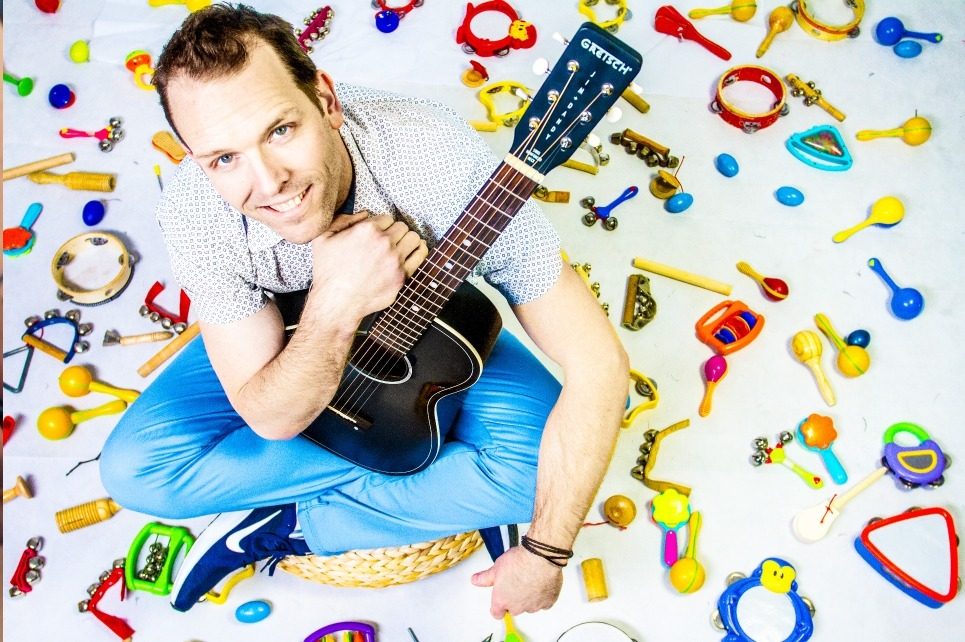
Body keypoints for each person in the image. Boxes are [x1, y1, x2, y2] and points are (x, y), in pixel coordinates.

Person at [99, 3, 628, 617]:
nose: (268, 182)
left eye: (279, 131)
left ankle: (288, 526)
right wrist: (335, 301)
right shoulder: (197, 213)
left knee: (543, 482)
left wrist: (547, 551)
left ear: (325, 100)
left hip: (434, 330)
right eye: (224, 158)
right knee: (134, 471)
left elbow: (600, 365)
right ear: (196, 158)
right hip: (286, 336)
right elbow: (270, 417)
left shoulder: (435, 157)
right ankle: (435, 483)